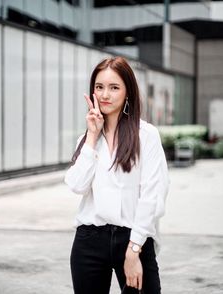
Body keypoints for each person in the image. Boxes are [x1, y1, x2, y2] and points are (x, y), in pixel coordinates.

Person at [64, 56, 169, 294]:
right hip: (89, 240)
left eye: (114, 87)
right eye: (99, 87)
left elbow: (152, 195)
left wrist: (134, 250)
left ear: (127, 92)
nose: (104, 95)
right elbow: (76, 185)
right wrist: (92, 136)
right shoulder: (87, 140)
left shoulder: (146, 135)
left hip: (134, 238)